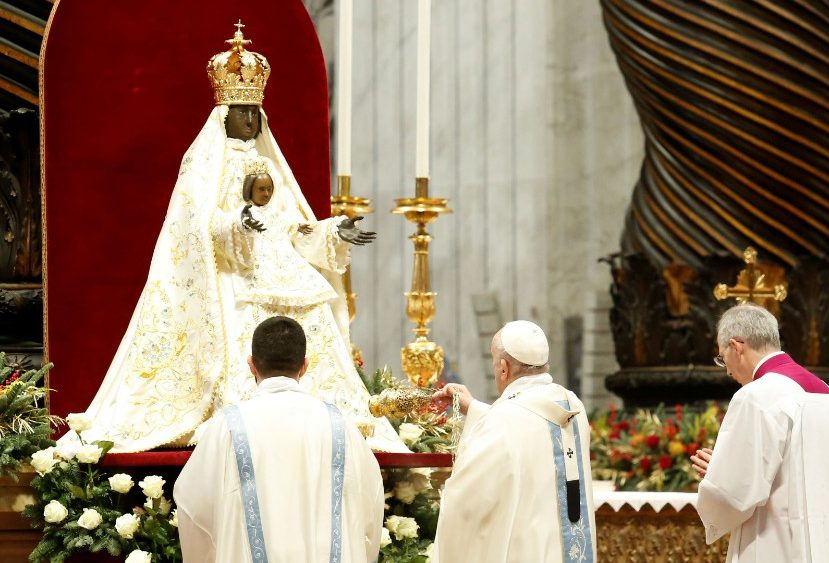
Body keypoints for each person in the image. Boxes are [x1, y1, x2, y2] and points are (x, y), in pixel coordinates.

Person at [61, 25, 403, 452]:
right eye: (241, 111)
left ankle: (323, 415)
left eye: (254, 111)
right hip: (234, 275)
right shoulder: (205, 166)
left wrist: (333, 230)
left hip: (284, 269)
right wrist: (236, 226)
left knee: (314, 326)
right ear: (224, 116)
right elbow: (192, 230)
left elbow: (295, 229)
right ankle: (234, 416)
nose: (249, 118)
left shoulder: (272, 166)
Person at [174, 316, 384, 563]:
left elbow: (194, 509)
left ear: (251, 365)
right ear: (305, 366)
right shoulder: (341, 426)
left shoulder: (227, 427)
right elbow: (370, 508)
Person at [691, 303, 829, 563]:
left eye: (722, 357)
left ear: (736, 347)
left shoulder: (755, 396)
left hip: (776, 544)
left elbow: (735, 493)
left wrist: (717, 472)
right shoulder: (827, 392)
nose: (726, 370)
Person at [431, 320, 596, 562]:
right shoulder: (572, 404)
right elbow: (527, 429)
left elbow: (466, 506)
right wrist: (474, 408)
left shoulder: (504, 420)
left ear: (504, 368)